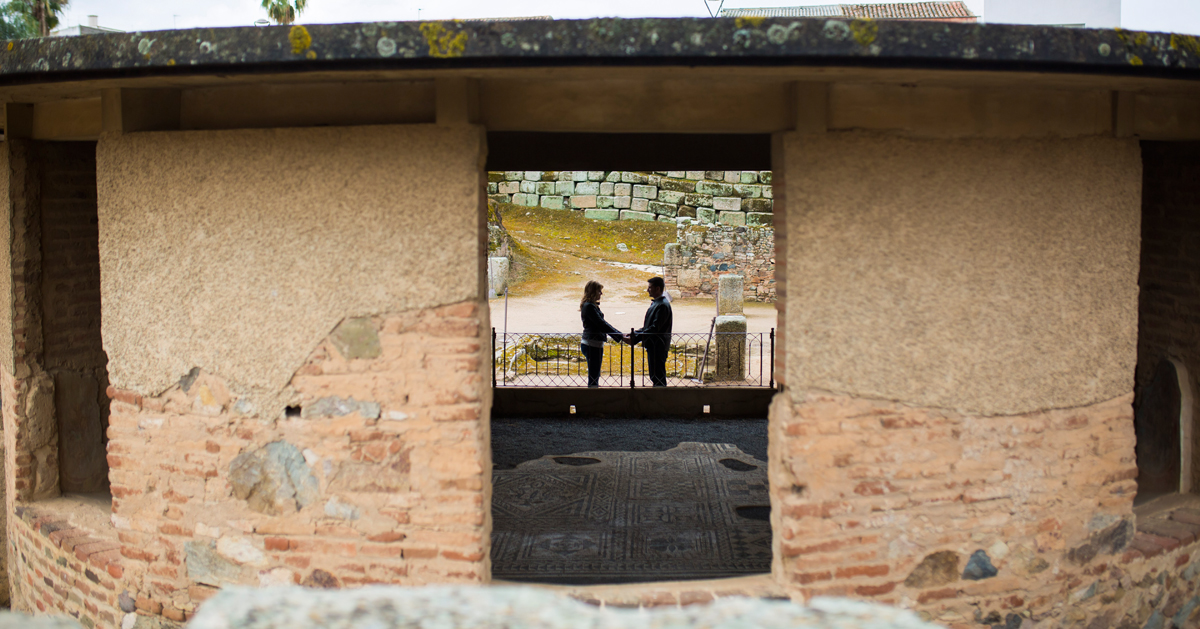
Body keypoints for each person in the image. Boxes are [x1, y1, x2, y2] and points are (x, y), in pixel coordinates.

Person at [625, 277, 673, 387]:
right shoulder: (659, 303)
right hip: (655, 345)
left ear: (657, 288)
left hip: (658, 346)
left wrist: (636, 337)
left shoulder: (662, 305)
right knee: (655, 375)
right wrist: (635, 333)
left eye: (650, 288)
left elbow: (654, 328)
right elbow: (649, 326)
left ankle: (659, 400)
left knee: (657, 376)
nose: (647, 290)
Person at [579, 280, 624, 388]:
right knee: (594, 375)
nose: (601, 293)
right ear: (593, 291)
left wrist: (619, 335)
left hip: (593, 343)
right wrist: (619, 335)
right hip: (592, 344)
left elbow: (601, 324)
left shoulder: (590, 305)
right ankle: (593, 397)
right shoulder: (589, 306)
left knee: (595, 374)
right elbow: (601, 324)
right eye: (599, 291)